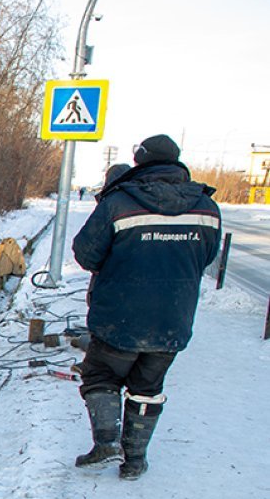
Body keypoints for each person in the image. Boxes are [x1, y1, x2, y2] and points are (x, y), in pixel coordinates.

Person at [72, 134, 221, 480]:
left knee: (100, 375)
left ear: (140, 161)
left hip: (118, 317)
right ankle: (135, 461)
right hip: (173, 318)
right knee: (148, 387)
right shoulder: (206, 207)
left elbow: (86, 254)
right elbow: (207, 258)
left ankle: (107, 443)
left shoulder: (120, 202)